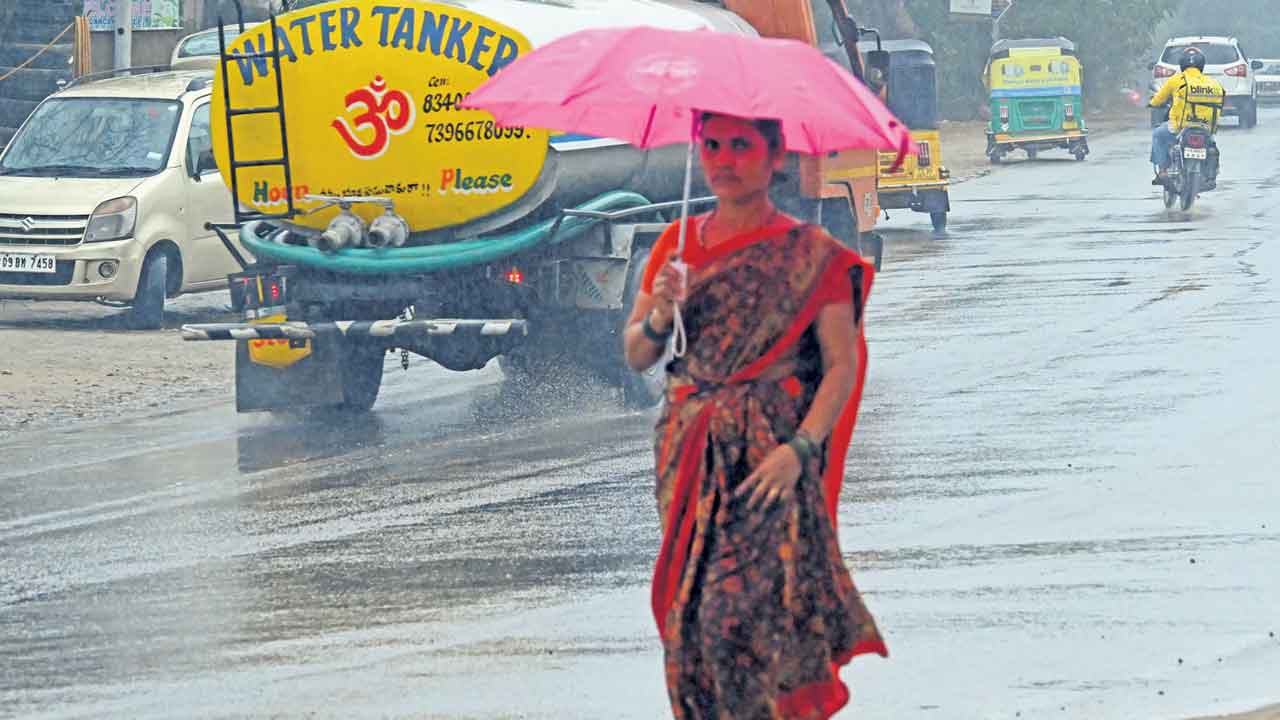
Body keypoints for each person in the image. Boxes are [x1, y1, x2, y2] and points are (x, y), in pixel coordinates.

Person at [622, 112, 887, 719]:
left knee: (741, 616)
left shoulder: (810, 255)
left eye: (740, 146)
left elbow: (840, 366)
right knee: (688, 621)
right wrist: (661, 312)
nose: (723, 160)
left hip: (770, 458)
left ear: (775, 157)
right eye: (712, 145)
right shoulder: (676, 247)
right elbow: (638, 354)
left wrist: (801, 449)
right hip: (689, 453)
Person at [1149, 47, 1225, 185]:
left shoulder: (1176, 80)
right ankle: (1209, 175)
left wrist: (1152, 103)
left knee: (1158, 134)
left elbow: (1158, 99)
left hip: (1180, 127)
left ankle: (1163, 171)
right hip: (1206, 128)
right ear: (1202, 64)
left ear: (1182, 63)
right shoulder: (1213, 83)